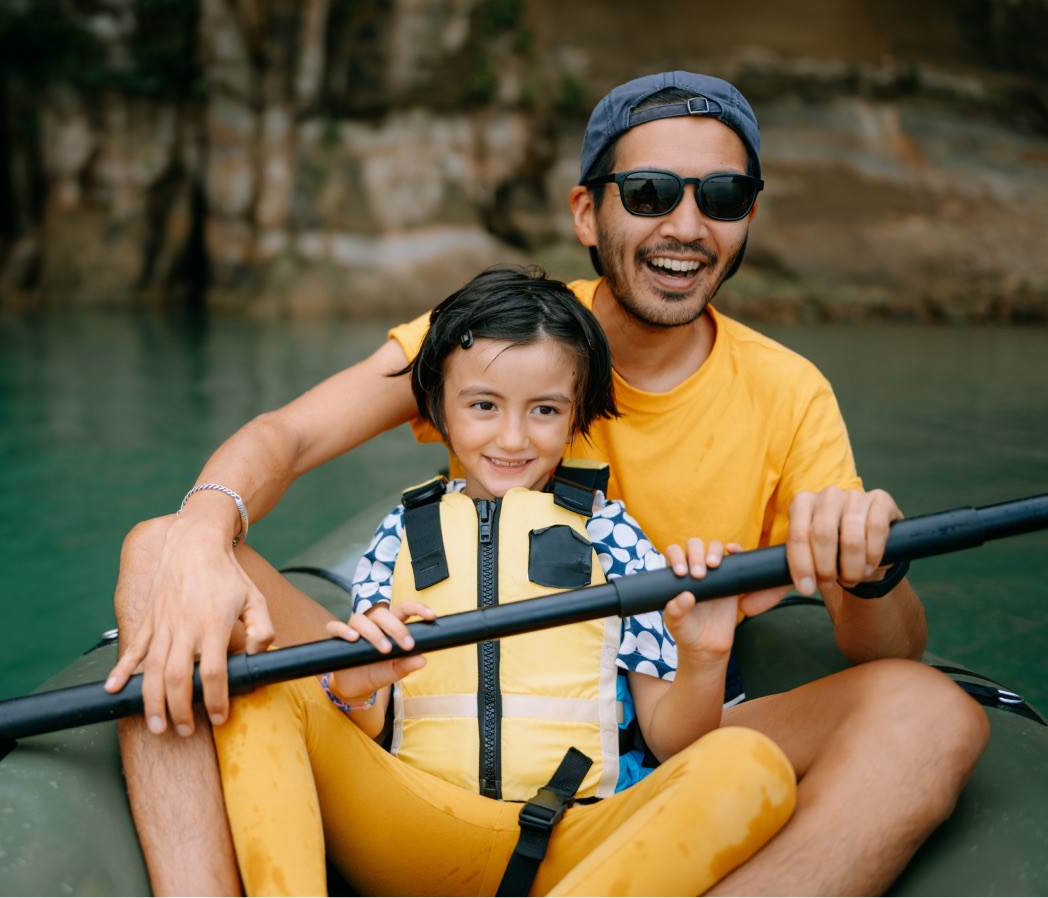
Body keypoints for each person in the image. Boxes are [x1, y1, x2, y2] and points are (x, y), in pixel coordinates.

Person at [106, 71, 989, 896]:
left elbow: (883, 653)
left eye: (722, 197)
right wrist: (200, 529)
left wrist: (868, 570)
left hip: (660, 739)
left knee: (930, 715)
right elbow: (287, 436)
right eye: (649, 193)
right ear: (586, 210)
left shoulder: (789, 392)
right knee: (159, 553)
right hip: (422, 730)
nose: (685, 225)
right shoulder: (505, 340)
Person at [212, 268, 797, 896]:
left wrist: (703, 659)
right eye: (484, 405)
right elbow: (372, 727)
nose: (513, 439)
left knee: (747, 762)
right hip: (416, 822)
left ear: (576, 418)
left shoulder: (617, 539)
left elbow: (671, 740)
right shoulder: (401, 535)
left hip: (576, 839)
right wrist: (356, 689)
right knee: (260, 685)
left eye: (544, 410)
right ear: (438, 407)